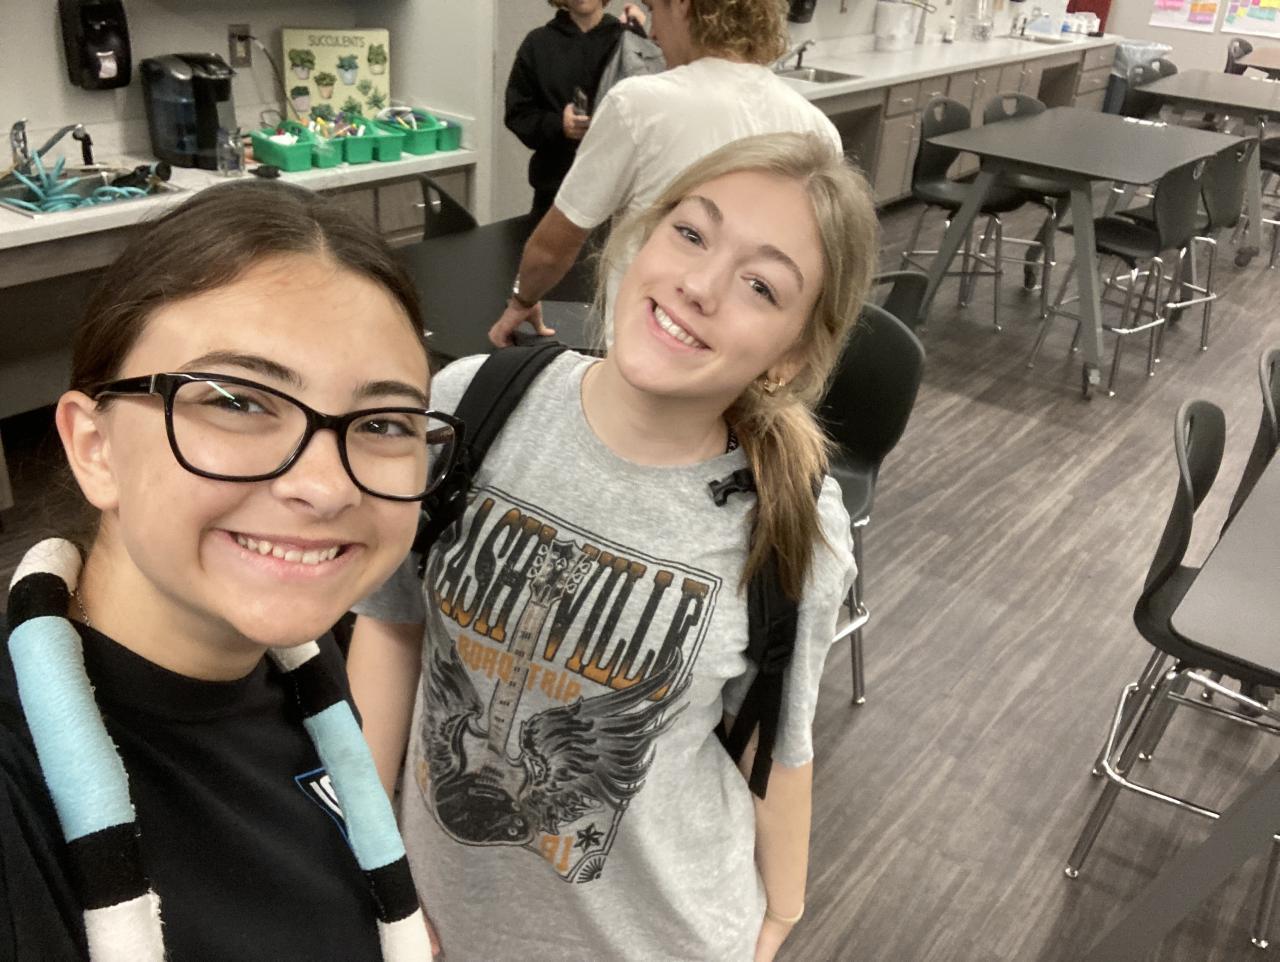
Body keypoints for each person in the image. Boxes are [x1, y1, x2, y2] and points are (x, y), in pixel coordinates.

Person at [348, 132, 879, 962]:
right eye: (691, 233)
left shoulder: (791, 525)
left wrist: (781, 915)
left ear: (792, 355)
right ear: (640, 238)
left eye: (761, 286)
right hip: (440, 920)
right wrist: (372, 864)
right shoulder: (469, 403)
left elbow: (776, 745)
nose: (699, 285)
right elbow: (391, 626)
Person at [0, 181, 448, 961]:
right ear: (94, 447)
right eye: (237, 402)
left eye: (382, 422)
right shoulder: (17, 793)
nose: (325, 487)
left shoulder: (302, 661)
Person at [489, 0, 843, 348]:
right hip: (743, 358)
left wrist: (522, 300)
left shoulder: (640, 105)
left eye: (655, 10)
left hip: (651, 347)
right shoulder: (818, 130)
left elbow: (555, 245)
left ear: (683, 5)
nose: (654, 33)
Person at [505, 0, 650, 222]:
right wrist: (558, 125)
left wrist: (640, 38)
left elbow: (651, 102)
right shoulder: (537, 44)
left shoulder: (625, 39)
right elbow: (518, 114)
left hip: (616, 193)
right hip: (554, 191)